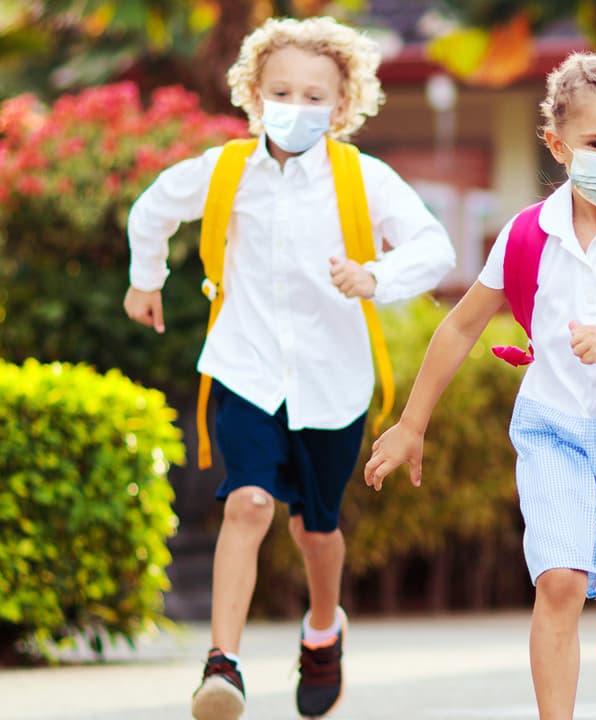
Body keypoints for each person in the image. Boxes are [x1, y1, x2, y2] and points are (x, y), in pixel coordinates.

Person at [363, 51, 596, 720]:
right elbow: (459, 329)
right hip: (555, 428)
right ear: (558, 145)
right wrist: (411, 423)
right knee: (561, 582)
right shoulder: (526, 235)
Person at [123, 16, 456, 720]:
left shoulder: (362, 179)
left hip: (334, 384)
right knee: (247, 504)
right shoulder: (224, 171)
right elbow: (153, 209)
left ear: (341, 106)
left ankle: (323, 630)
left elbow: (434, 248)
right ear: (253, 93)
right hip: (245, 368)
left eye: (314, 96)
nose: (296, 107)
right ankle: (223, 666)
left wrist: (374, 276)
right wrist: (144, 278)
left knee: (315, 530)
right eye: (282, 91)